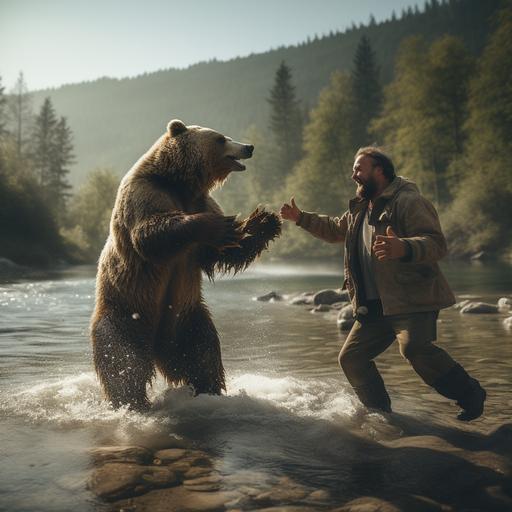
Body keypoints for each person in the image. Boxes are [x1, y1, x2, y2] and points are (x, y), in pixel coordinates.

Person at [280, 147, 486, 421]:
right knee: (351, 359)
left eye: (359, 169)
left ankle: (470, 394)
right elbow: (334, 230)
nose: (354, 175)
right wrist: (301, 218)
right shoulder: (359, 207)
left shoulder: (409, 201)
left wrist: (404, 247)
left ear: (379, 170)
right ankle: (380, 415)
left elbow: (436, 244)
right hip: (373, 306)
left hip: (411, 300)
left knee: (414, 349)